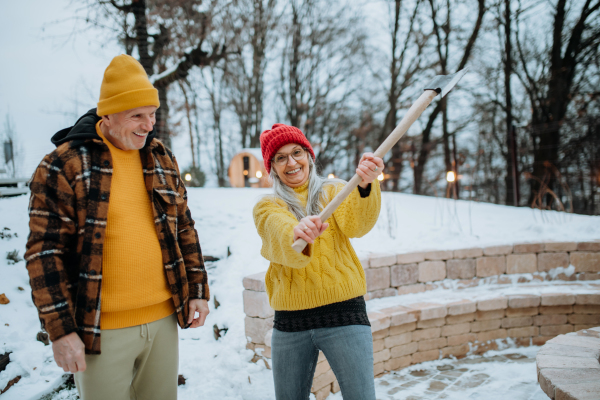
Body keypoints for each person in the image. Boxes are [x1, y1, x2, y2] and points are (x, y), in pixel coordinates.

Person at [25, 54, 210, 400]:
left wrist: (197, 288)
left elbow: (183, 227)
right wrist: (61, 332)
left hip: (163, 322)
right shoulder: (63, 164)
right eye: (136, 115)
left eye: (152, 114)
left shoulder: (160, 157)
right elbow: (44, 254)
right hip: (100, 330)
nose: (148, 124)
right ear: (107, 115)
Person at [253, 123, 383, 400]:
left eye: (297, 152)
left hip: (345, 313)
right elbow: (276, 230)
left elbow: (358, 224)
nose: (291, 162)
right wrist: (295, 232)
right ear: (272, 167)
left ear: (309, 155)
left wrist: (364, 185)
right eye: (281, 157)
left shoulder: (335, 191)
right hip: (290, 322)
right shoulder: (268, 206)